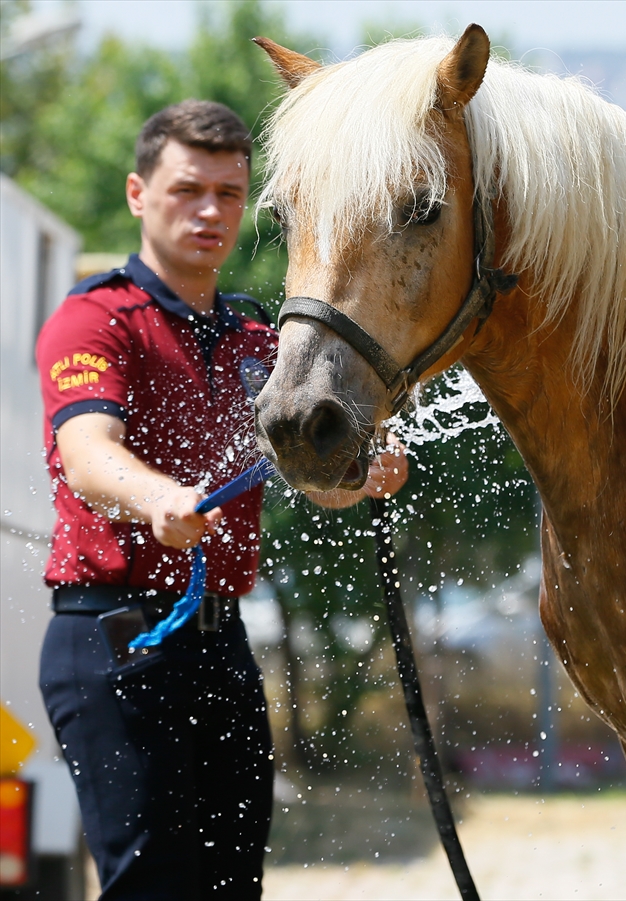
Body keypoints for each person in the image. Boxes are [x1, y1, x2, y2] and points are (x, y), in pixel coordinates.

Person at [35, 99, 407, 900]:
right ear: (138, 194)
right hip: (115, 642)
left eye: (230, 194)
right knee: (155, 887)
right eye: (187, 190)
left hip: (221, 646)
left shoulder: (257, 341)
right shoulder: (95, 320)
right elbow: (87, 452)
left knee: (234, 886)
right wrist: (160, 496)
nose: (210, 212)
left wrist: (358, 476)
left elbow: (315, 482)